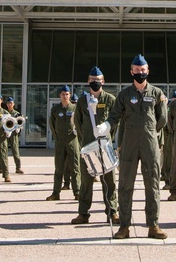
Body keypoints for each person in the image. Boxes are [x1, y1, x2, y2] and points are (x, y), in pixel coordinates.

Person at [95, 54, 168, 240]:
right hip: (128, 144)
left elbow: (163, 118)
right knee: (125, 185)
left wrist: (150, 132)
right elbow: (114, 116)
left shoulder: (157, 93)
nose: (140, 73)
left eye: (143, 70)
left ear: (148, 71)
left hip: (150, 144)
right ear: (131, 72)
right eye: (136, 71)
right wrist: (106, 126)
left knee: (152, 185)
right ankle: (124, 227)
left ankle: (153, 225)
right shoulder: (124, 95)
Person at [71, 66, 120, 224]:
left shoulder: (110, 99)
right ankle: (83, 213)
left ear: (103, 82)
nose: (95, 83)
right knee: (86, 182)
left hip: (105, 146)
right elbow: (77, 123)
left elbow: (115, 122)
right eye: (92, 80)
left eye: (98, 80)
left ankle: (112, 212)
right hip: (87, 146)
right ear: (88, 81)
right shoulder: (82, 101)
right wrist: (85, 139)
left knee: (110, 181)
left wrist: (108, 138)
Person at [46, 85, 80, 200]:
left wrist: (78, 133)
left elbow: (80, 123)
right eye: (63, 94)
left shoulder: (75, 108)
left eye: (67, 94)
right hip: (60, 142)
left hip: (72, 140)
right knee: (59, 168)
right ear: (60, 95)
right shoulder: (56, 109)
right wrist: (56, 137)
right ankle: (56, 193)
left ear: (70, 95)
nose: (65, 96)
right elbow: (52, 123)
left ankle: (77, 192)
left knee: (75, 167)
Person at [1, 96, 23, 175]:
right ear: (6, 104)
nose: (10, 104)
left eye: (11, 103)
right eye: (8, 103)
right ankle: (0, 167)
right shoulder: (4, 113)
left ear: (13, 104)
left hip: (14, 134)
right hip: (5, 133)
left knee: (15, 150)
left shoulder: (17, 114)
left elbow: (21, 123)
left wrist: (19, 129)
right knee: (3, 150)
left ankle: (18, 167)